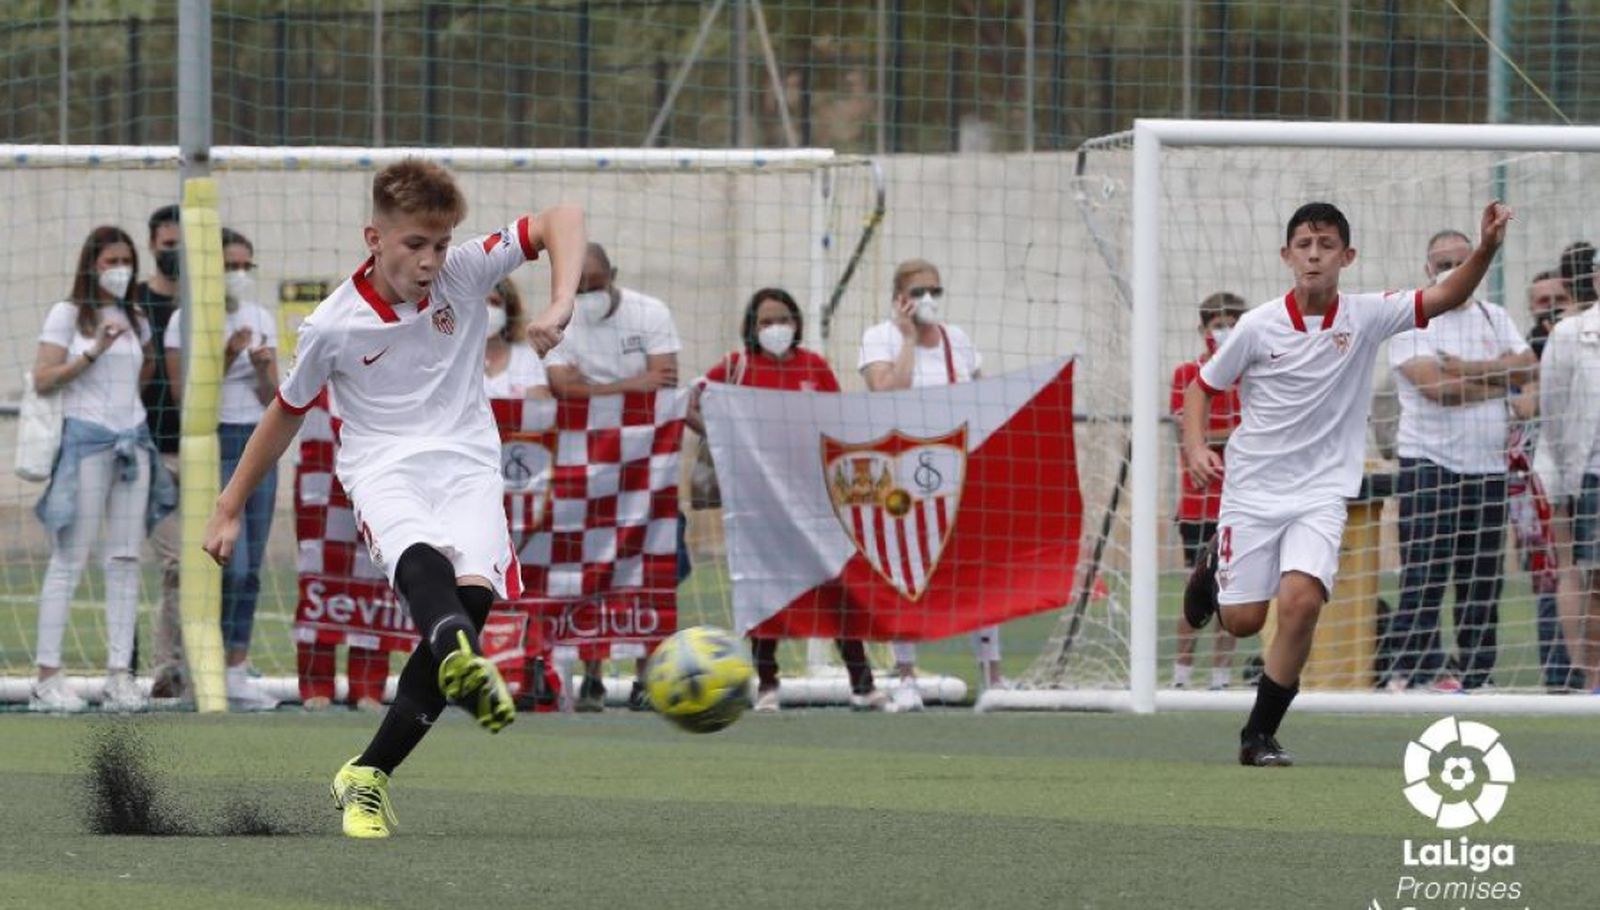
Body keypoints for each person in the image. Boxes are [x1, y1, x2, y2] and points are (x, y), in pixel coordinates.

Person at [202, 159, 583, 838]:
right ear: (374, 237)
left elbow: (563, 219)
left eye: (440, 244)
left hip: (467, 462)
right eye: (415, 244)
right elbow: (286, 413)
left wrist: (560, 303)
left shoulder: (465, 270)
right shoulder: (332, 325)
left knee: (471, 597)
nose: (432, 260)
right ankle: (465, 661)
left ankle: (368, 773)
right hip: (382, 466)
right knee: (418, 557)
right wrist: (229, 504)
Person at [1182, 200, 1511, 766]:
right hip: (1253, 490)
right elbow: (1200, 388)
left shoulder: (1369, 314)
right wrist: (1193, 446)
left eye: (1326, 245)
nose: (1314, 256)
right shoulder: (1257, 326)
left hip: (1322, 492)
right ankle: (1216, 564)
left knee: (1302, 601)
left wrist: (1485, 248)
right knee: (1241, 622)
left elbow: (1446, 295)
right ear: (1287, 255)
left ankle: (1258, 734)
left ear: (1347, 255)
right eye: (1304, 246)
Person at [686, 287, 888, 713]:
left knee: (834, 585)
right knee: (765, 589)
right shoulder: (737, 368)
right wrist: (723, 440)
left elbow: (838, 421)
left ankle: (862, 682)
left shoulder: (813, 367)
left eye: (782, 319)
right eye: (765, 321)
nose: (775, 328)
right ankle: (767, 683)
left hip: (813, 499)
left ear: (795, 323)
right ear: (752, 328)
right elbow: (691, 402)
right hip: (761, 502)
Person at [1381, 230, 1536, 693]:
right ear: (1428, 270)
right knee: (1425, 574)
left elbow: (1529, 368)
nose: (1450, 269)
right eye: (1441, 262)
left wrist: (1466, 369)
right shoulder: (1411, 320)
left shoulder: (1495, 315)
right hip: (1429, 465)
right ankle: (1416, 671)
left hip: (1488, 468)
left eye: (1459, 260)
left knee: (1483, 579)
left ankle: (1478, 674)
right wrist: (1499, 379)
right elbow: (1437, 390)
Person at [30, 225, 175, 712]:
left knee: (126, 559)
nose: (120, 269)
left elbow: (143, 372)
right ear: (92, 264)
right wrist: (93, 352)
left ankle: (120, 674)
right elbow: (44, 378)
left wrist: (132, 349)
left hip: (132, 443)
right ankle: (47, 676)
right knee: (70, 557)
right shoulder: (68, 314)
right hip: (87, 443)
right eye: (111, 260)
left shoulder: (135, 315)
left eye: (126, 260)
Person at [858, 257, 1004, 711]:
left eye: (935, 292)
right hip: (902, 469)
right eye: (918, 292)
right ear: (899, 298)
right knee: (906, 569)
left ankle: (992, 674)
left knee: (977, 571)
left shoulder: (956, 340)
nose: (928, 301)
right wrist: (906, 339)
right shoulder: (879, 337)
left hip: (957, 468)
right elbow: (886, 393)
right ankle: (905, 674)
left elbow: (981, 393)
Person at [544, 242, 682, 711]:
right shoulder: (558, 319)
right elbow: (562, 387)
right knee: (589, 569)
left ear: (614, 275)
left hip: (647, 466)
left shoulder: (650, 312)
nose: (587, 294)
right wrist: (627, 386)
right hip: (586, 468)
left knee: (649, 567)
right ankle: (592, 676)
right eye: (578, 287)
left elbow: (664, 379)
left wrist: (595, 389)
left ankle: (648, 676)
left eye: (595, 285)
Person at [164, 228, 281, 710]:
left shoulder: (261, 317)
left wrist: (260, 365)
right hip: (215, 444)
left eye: (244, 267)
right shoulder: (183, 321)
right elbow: (182, 399)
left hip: (259, 441)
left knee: (252, 568)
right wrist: (227, 352)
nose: (238, 276)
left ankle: (237, 664)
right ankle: (204, 664)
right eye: (229, 266)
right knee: (227, 564)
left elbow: (274, 398)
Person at [1168, 292, 1244, 690]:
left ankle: (1220, 676)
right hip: (1198, 504)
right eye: (1217, 324)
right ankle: (1181, 674)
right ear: (1203, 330)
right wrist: (1230, 434)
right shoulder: (1186, 374)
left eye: (1232, 322)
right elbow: (1189, 432)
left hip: (1240, 502)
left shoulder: (1252, 373)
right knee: (1196, 589)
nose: (1224, 330)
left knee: (1232, 591)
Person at [1535, 284, 1600, 693]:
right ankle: (1592, 679)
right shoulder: (1571, 334)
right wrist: (1564, 478)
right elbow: (1553, 413)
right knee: (1594, 581)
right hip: (1591, 471)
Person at [133, 203, 187, 698]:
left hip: (205, 452)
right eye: (169, 246)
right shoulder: (136, 303)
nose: (177, 255)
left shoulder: (204, 303)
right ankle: (162, 667)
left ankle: (195, 666)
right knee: (172, 562)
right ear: (153, 245)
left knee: (209, 567)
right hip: (151, 449)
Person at [482, 276, 550, 399]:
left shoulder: (527, 356)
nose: (487, 309)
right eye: (480, 302)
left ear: (508, 310)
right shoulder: (453, 357)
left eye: (494, 302)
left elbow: (539, 410)